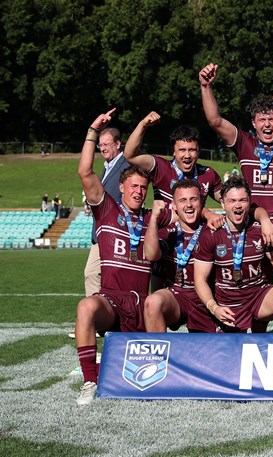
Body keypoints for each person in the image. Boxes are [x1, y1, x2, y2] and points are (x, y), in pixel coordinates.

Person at [74, 108, 172, 405]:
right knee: (86, 307)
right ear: (121, 188)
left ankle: (163, 379)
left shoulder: (153, 218)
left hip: (143, 304)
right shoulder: (107, 210)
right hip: (113, 301)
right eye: (133, 187)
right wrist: (93, 131)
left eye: (143, 187)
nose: (139, 192)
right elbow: (85, 172)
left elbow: (184, 216)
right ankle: (90, 380)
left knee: (152, 376)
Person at [199, 63, 273, 257]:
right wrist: (206, 86)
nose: (267, 124)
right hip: (252, 223)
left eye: (272, 119)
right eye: (262, 120)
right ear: (253, 124)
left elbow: (270, 108)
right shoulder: (244, 143)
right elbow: (215, 121)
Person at [193, 176, 273, 333]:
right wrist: (214, 307)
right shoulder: (210, 234)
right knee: (232, 347)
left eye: (242, 200)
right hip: (228, 305)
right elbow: (200, 280)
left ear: (249, 202)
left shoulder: (262, 229)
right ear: (223, 203)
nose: (237, 205)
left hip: (258, 298)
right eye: (232, 201)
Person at [142, 179, 219, 333]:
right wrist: (154, 218)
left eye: (193, 199)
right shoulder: (168, 232)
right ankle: (159, 349)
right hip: (179, 296)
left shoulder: (213, 230)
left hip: (208, 297)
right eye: (182, 200)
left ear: (201, 202)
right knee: (153, 302)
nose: (189, 205)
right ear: (174, 206)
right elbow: (150, 255)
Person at [123, 114, 224, 228]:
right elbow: (130, 155)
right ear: (173, 151)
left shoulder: (208, 174)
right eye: (182, 150)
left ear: (199, 151)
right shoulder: (161, 168)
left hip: (196, 235)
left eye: (192, 150)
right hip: (165, 234)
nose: (187, 155)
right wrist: (143, 125)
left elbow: (228, 199)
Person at [83, 125, 131, 297]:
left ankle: (96, 309)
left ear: (117, 144)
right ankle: (101, 309)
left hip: (116, 232)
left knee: (93, 273)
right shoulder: (108, 166)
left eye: (106, 144)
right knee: (98, 276)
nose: (102, 148)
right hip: (102, 233)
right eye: (100, 145)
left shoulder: (126, 165)